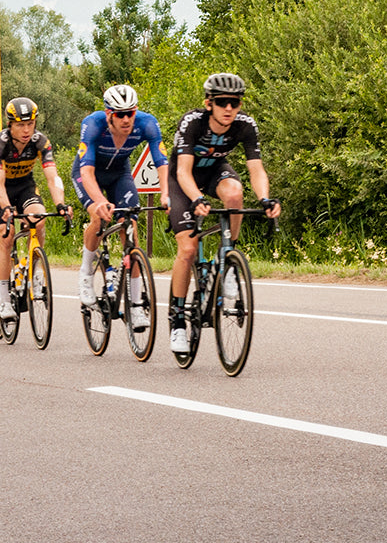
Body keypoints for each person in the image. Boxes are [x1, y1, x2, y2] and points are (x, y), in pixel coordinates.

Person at [167, 73, 281, 354]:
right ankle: (178, 321)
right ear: (209, 103)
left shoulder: (245, 126)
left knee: (234, 194)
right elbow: (182, 171)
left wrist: (265, 198)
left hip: (215, 171)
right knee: (188, 249)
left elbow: (256, 169)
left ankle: (229, 257)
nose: (229, 108)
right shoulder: (192, 123)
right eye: (222, 102)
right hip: (184, 181)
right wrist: (196, 198)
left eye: (235, 102)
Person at [74, 85, 169, 331]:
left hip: (119, 174)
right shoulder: (93, 125)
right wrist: (100, 201)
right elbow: (86, 172)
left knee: (131, 229)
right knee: (97, 216)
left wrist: (166, 194)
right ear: (109, 114)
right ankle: (85, 275)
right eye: (120, 114)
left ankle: (136, 304)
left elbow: (161, 161)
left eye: (130, 113)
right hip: (90, 174)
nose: (126, 119)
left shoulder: (147, 124)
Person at [0, 97, 69, 322]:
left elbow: (53, 178)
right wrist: (6, 208)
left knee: (39, 218)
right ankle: (4, 298)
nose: (26, 130)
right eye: (20, 125)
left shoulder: (40, 142)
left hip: (24, 185)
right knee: (7, 234)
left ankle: (36, 272)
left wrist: (61, 204)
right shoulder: (0, 143)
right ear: (10, 125)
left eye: (30, 124)